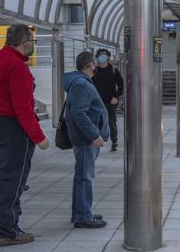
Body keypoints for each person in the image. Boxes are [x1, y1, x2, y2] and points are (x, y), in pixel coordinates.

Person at [0, 24, 49, 247]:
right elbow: (22, 107)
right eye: (32, 42)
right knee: (11, 179)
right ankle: (8, 230)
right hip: (12, 127)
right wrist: (38, 136)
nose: (33, 46)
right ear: (24, 41)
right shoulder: (17, 67)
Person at [64, 51, 110, 228]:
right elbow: (79, 113)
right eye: (94, 63)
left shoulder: (79, 82)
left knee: (81, 176)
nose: (96, 65)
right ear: (88, 65)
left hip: (85, 139)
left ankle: (80, 212)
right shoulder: (81, 84)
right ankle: (83, 215)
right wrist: (95, 135)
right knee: (85, 177)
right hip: (86, 140)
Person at [92, 48, 123, 152]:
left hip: (111, 102)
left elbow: (121, 85)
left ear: (109, 57)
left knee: (112, 122)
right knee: (96, 122)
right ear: (97, 57)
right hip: (96, 102)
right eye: (100, 55)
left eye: (104, 54)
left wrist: (116, 96)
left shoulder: (114, 70)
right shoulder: (94, 71)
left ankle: (114, 141)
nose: (102, 56)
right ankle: (96, 141)